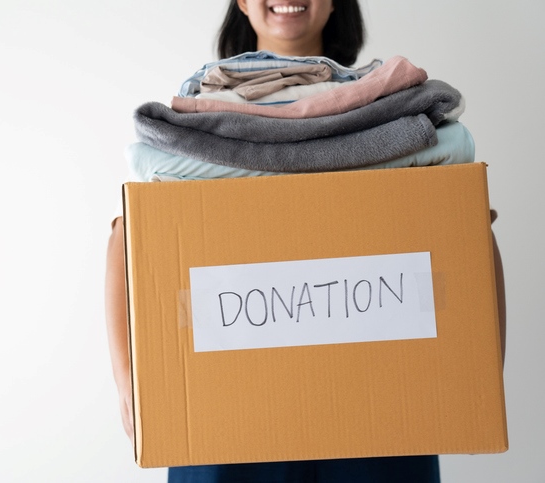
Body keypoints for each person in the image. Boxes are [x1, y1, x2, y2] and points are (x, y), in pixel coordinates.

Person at [105, 0, 506, 481]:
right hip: (226, 419)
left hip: (381, 408)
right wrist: (131, 385)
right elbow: (130, 236)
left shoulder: (384, 106)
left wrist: (480, 375)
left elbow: (466, 231)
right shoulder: (194, 124)